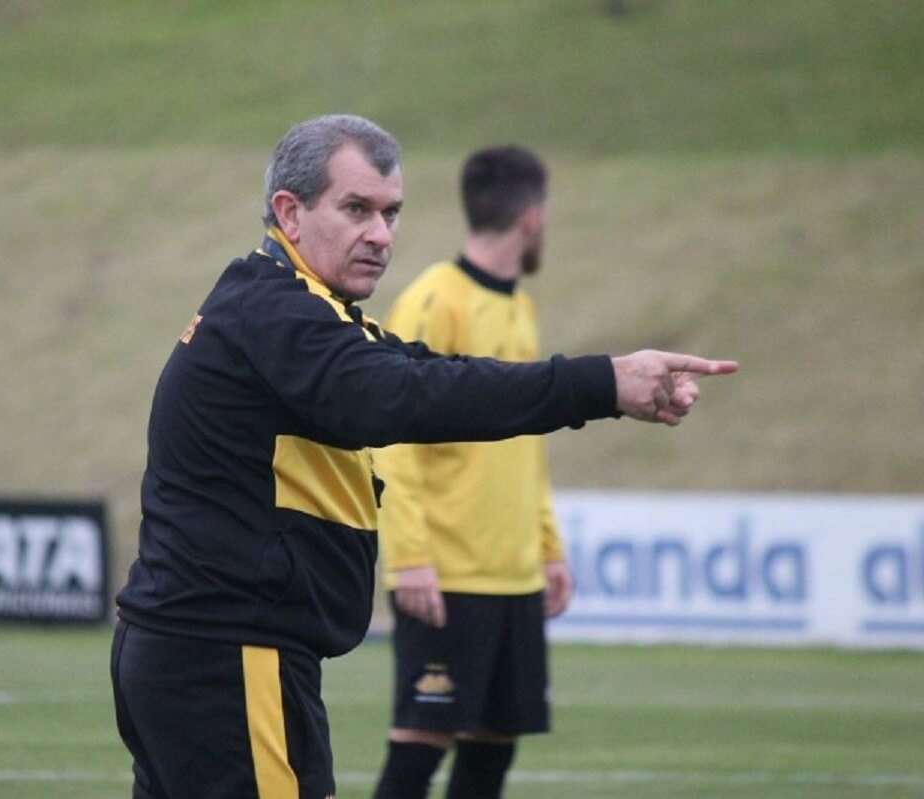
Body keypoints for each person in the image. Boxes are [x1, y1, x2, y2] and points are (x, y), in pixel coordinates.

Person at [110, 114, 736, 799]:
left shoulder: (295, 308)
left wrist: (599, 387)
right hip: (229, 657)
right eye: (356, 209)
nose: (380, 234)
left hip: (197, 649)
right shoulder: (277, 314)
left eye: (391, 212)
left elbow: (424, 371)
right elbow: (403, 396)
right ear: (289, 212)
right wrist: (603, 382)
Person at [370, 146, 572, 799]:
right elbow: (391, 437)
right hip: (448, 574)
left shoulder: (521, 307)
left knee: (490, 755)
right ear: (533, 217)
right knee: (418, 751)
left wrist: (547, 545)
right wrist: (410, 558)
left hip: (513, 573)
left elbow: (527, 442)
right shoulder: (435, 299)